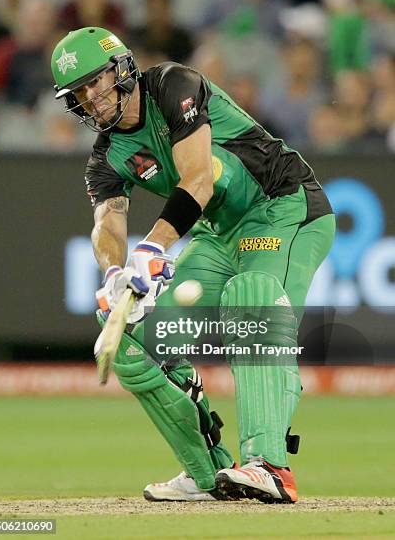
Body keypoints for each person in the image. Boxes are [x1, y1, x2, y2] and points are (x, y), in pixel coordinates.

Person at [51, 26, 335, 503]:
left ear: (121, 68)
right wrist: (115, 275)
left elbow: (199, 179)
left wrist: (152, 248)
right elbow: (108, 224)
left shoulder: (172, 86)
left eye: (95, 82)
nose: (91, 99)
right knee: (134, 335)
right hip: (216, 231)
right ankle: (208, 475)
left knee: (254, 296)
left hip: (282, 206)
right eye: (79, 93)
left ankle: (269, 466)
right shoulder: (106, 155)